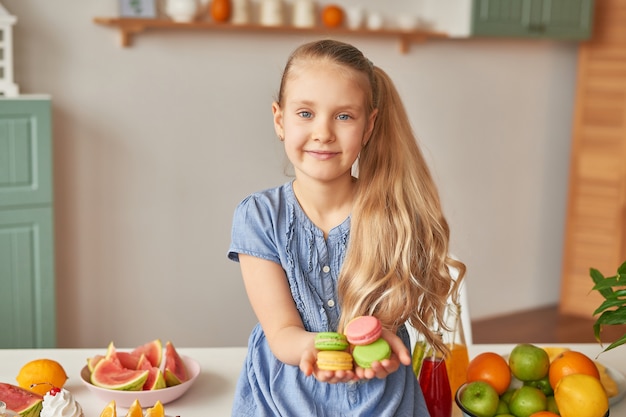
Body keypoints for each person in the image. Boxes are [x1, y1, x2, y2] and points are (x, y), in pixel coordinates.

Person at [227, 39, 466, 416]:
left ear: (368, 126)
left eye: (344, 116)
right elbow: (282, 333)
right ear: (279, 120)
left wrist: (380, 345)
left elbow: (380, 327)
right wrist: (317, 350)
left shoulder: (394, 215)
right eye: (305, 113)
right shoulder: (258, 216)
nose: (323, 132)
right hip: (282, 394)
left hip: (377, 395)